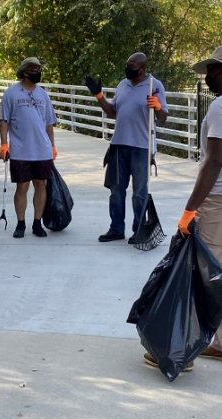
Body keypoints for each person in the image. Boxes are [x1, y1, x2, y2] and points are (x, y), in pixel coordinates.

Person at [85, 53, 168, 244]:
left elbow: (163, 117)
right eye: (127, 64)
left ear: (142, 68)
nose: (128, 68)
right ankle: (116, 229)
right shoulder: (122, 85)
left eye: (132, 66)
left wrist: (157, 106)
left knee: (139, 192)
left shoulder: (154, 85)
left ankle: (139, 229)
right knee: (116, 190)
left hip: (141, 146)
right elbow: (113, 112)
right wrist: (99, 95)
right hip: (119, 144)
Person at [174, 46, 222, 364]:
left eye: (212, 70)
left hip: (216, 202)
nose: (206, 77)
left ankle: (184, 350)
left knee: (204, 274)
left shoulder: (220, 107)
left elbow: (214, 160)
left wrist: (191, 209)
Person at [0, 57, 57, 238]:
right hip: (20, 149)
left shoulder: (43, 95)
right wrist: (3, 143)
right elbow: (4, 120)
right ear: (25, 72)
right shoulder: (11, 94)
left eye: (39, 69)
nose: (38, 72)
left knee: (41, 185)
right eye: (34, 69)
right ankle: (20, 223)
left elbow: (49, 123)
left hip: (42, 149)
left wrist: (52, 146)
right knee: (22, 187)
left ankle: (37, 223)